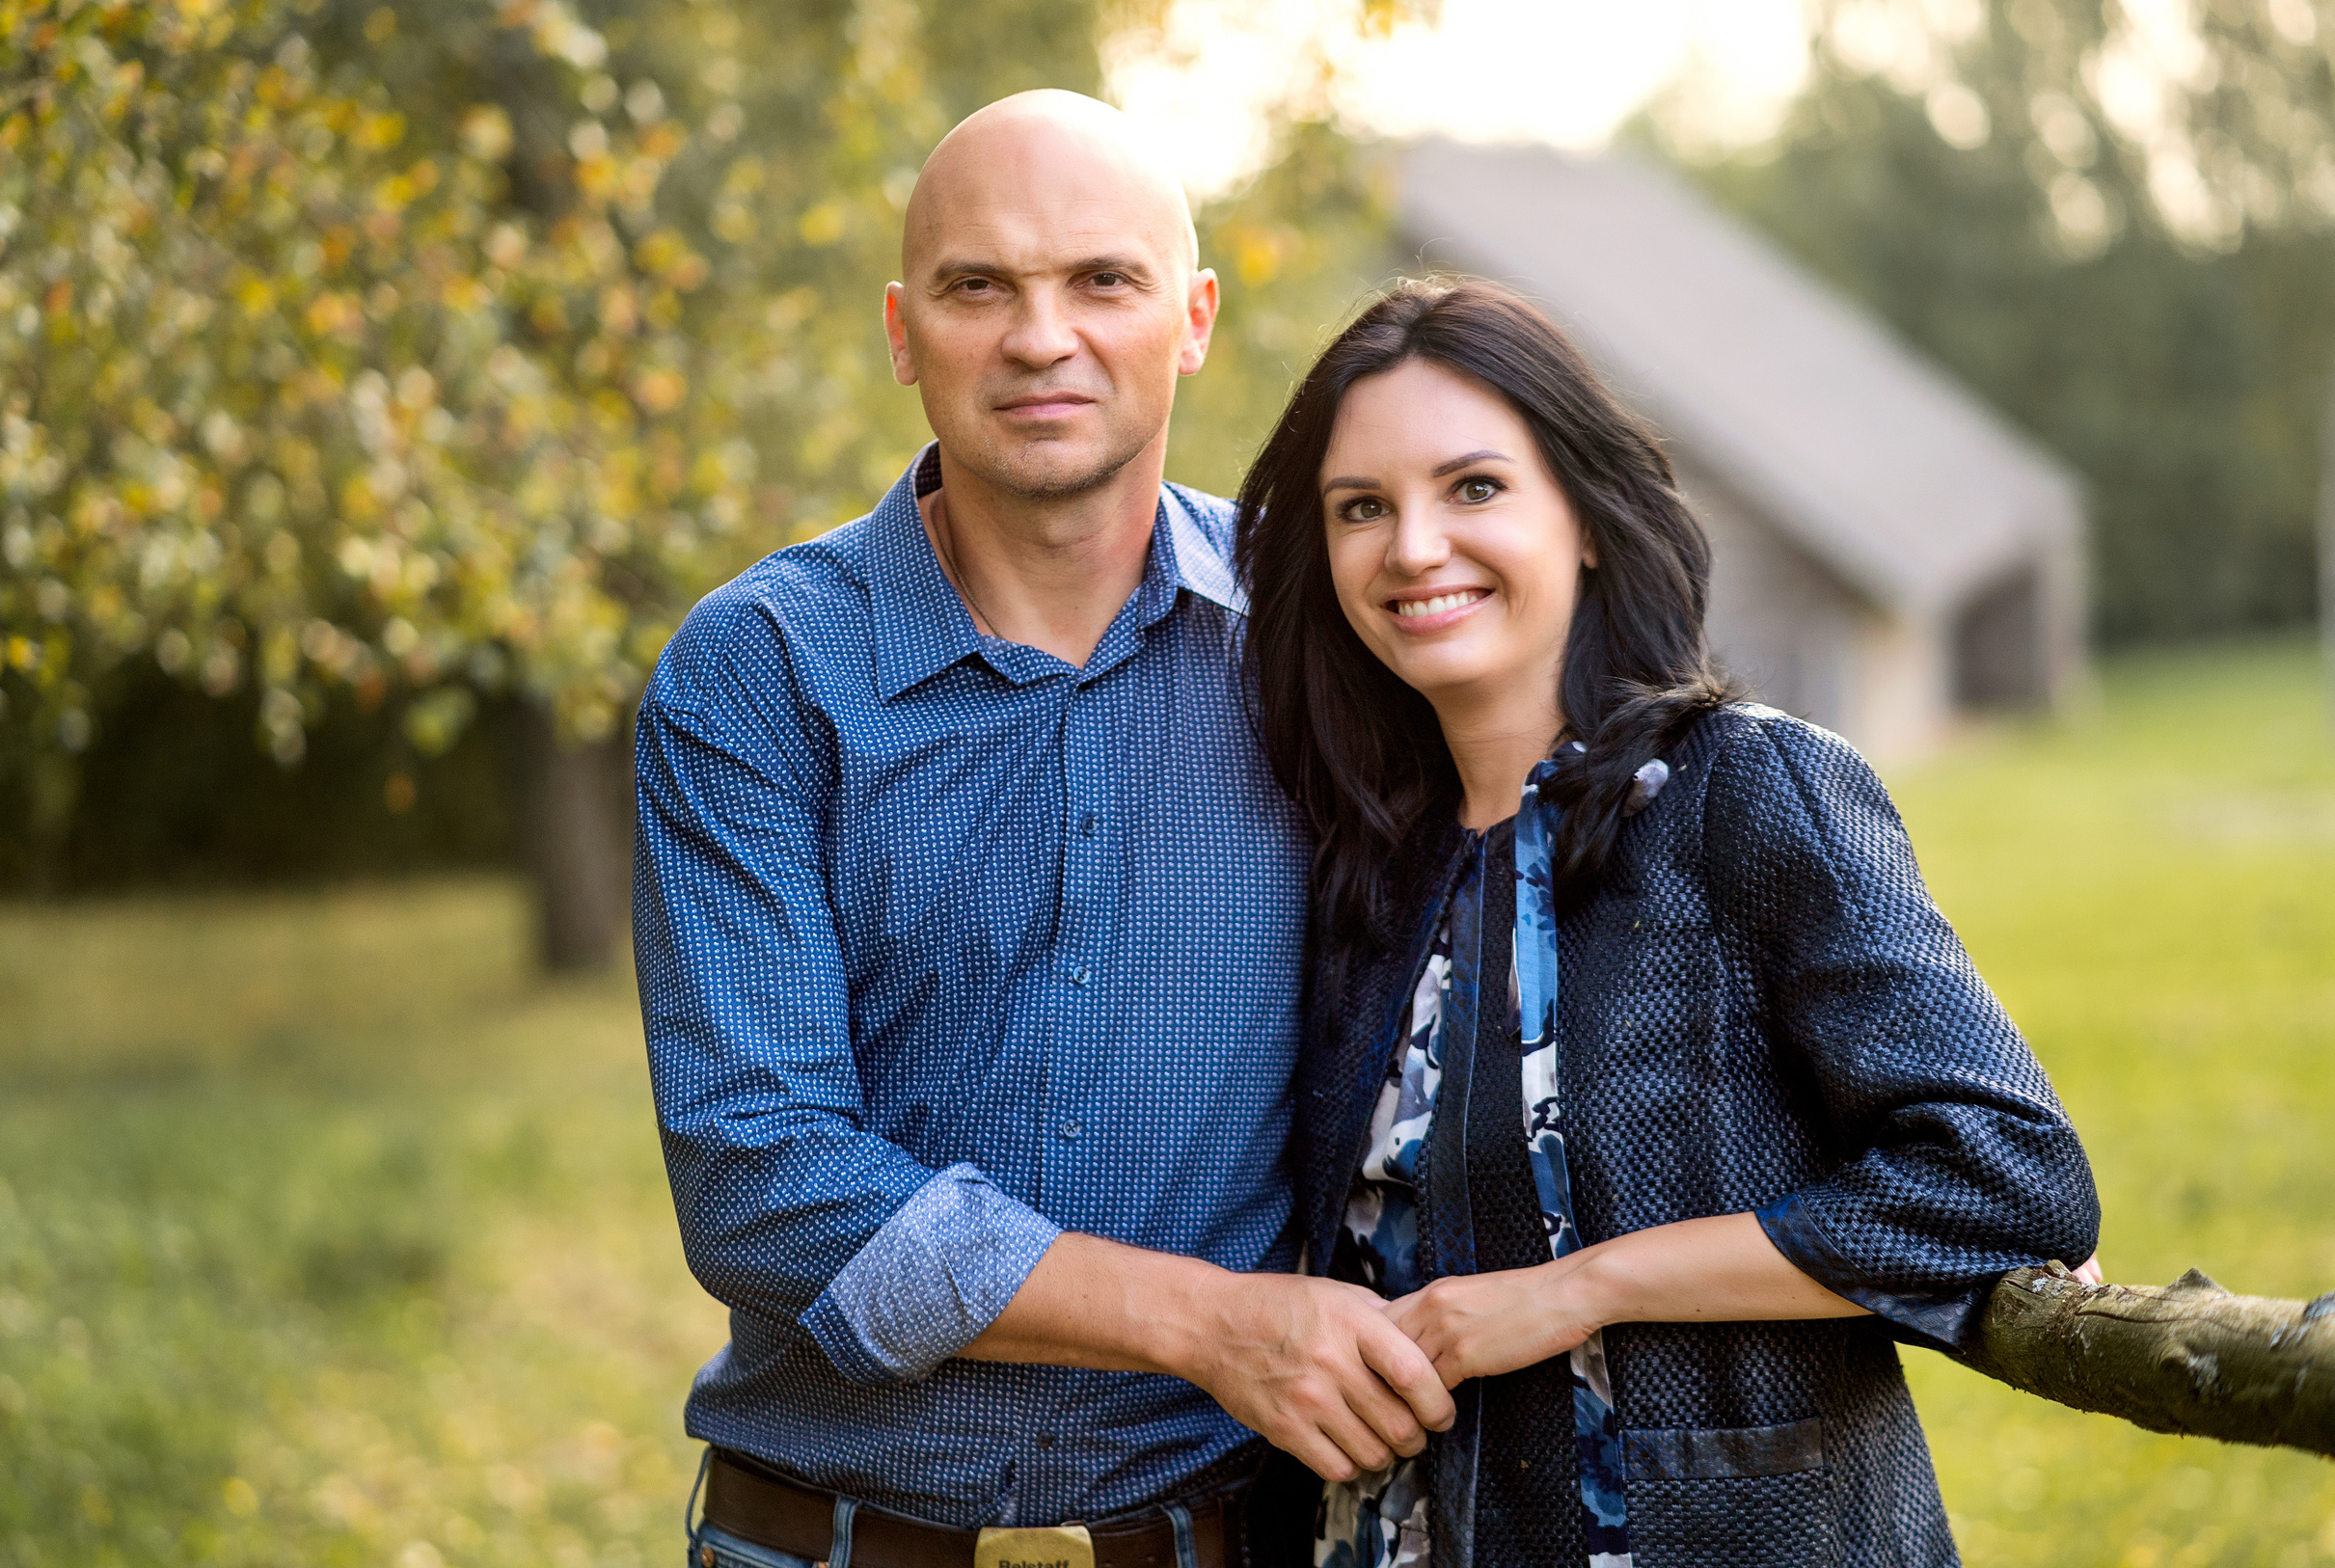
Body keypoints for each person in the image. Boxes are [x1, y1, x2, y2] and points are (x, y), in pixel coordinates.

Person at [631, 92, 1453, 1568]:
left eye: (1102, 280)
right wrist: (1210, 1324)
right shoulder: (757, 670)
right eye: (977, 287)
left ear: (1192, 317)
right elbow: (762, 1180)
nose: (1039, 336)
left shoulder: (1326, 637)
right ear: (902, 331)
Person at [1233, 279, 2103, 1568]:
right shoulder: (1364, 869)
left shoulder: (1746, 795)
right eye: (1363, 508)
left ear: (1584, 518)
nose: (1413, 546)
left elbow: (2006, 1181)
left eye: (1473, 488)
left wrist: (1580, 1289)